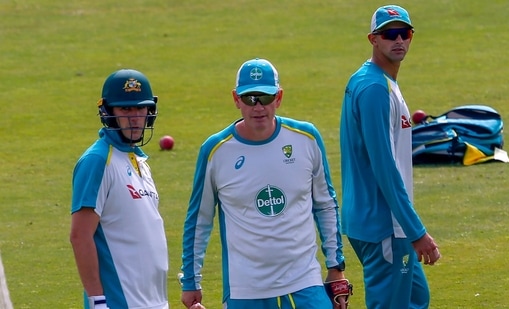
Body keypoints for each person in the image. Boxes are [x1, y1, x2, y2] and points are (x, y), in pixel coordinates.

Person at [179, 58, 347, 309]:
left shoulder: (307, 138)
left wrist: (336, 268)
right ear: (236, 99)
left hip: (304, 282)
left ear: (278, 97)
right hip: (245, 289)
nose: (258, 107)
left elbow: (325, 205)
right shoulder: (215, 151)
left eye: (265, 97)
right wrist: (191, 281)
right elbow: (199, 220)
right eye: (249, 98)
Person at [339, 5, 441, 309]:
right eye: (388, 34)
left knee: (415, 298)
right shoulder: (373, 89)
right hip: (384, 224)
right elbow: (384, 166)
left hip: (379, 221)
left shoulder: (373, 80)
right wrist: (416, 230)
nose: (398, 40)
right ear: (373, 39)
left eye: (404, 33)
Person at [70, 69, 169, 309]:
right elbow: (80, 236)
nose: (134, 117)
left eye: (140, 108)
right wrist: (97, 300)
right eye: (125, 109)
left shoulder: (139, 161)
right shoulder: (97, 161)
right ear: (108, 112)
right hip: (119, 302)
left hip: (153, 301)